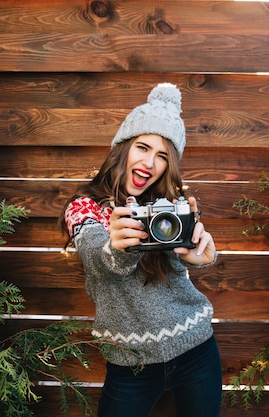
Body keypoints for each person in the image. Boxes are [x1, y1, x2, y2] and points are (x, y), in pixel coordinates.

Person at [61, 83, 222, 417]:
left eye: (162, 156)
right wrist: (118, 247)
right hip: (130, 363)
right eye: (143, 147)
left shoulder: (169, 207)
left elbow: (184, 264)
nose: (150, 162)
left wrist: (202, 256)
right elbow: (96, 259)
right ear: (123, 148)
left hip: (196, 349)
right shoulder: (84, 208)